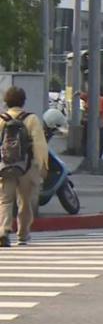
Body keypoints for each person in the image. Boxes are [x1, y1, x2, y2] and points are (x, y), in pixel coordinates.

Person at [0, 87, 48, 247]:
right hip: (27, 168)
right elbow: (39, 145)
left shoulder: (1, 119)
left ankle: (3, 231)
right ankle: (22, 234)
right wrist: (42, 166)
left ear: (6, 101)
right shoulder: (31, 119)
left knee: (5, 200)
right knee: (26, 201)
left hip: (5, 167)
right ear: (23, 101)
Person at [79, 91, 103, 158]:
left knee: (86, 141)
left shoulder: (88, 98)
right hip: (99, 124)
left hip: (88, 123)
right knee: (99, 142)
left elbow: (80, 95)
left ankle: (87, 156)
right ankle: (97, 157)